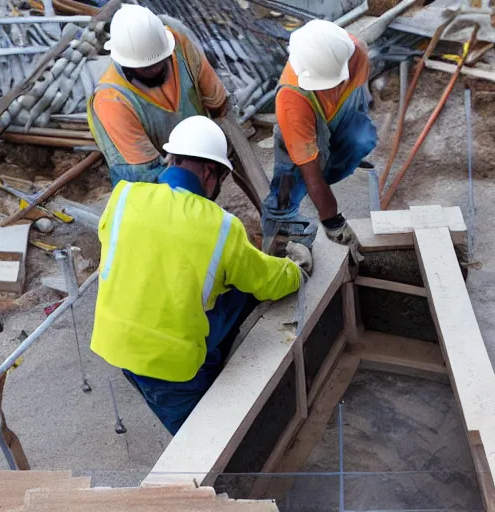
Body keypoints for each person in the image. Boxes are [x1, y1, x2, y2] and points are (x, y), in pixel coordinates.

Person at [90, 116, 311, 435]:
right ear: (210, 172)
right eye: (220, 178)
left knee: (232, 294)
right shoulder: (220, 227)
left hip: (114, 343)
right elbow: (268, 281)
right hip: (170, 367)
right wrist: (297, 270)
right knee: (204, 440)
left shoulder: (123, 197)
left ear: (171, 158)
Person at [262, 20, 377, 254]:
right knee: (292, 178)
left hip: (337, 111)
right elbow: (311, 174)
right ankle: (279, 225)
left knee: (362, 138)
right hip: (302, 120)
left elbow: (361, 96)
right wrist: (333, 221)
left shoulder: (354, 52)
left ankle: (330, 169)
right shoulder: (291, 101)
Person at [87, 5, 229, 186]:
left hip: (190, 146)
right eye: (146, 68)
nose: (155, 69)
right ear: (126, 65)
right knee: (152, 197)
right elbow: (148, 174)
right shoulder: (111, 100)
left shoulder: (178, 44)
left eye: (160, 62)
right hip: (142, 171)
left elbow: (219, 104)